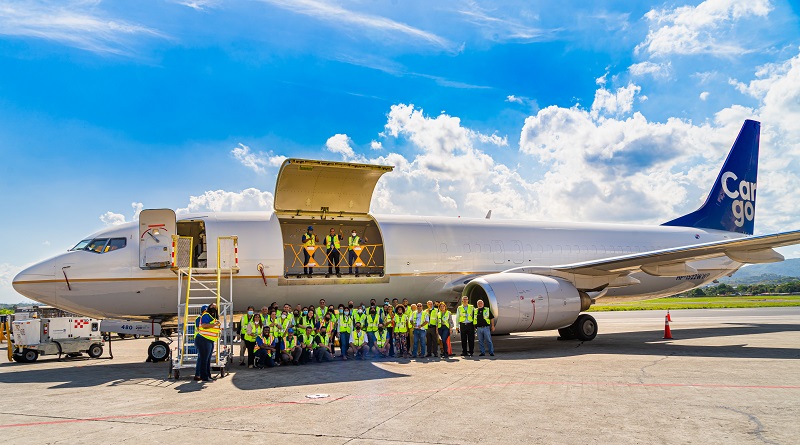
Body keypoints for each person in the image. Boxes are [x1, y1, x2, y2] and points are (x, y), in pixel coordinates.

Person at [194, 303, 220, 382]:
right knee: (204, 359)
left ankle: (208, 375)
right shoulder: (206, 315)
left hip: (209, 339)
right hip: (203, 339)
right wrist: (214, 325)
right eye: (212, 306)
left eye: (215, 307)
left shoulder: (212, 317)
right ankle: (204, 376)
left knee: (208, 359)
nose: (214, 307)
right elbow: (204, 325)